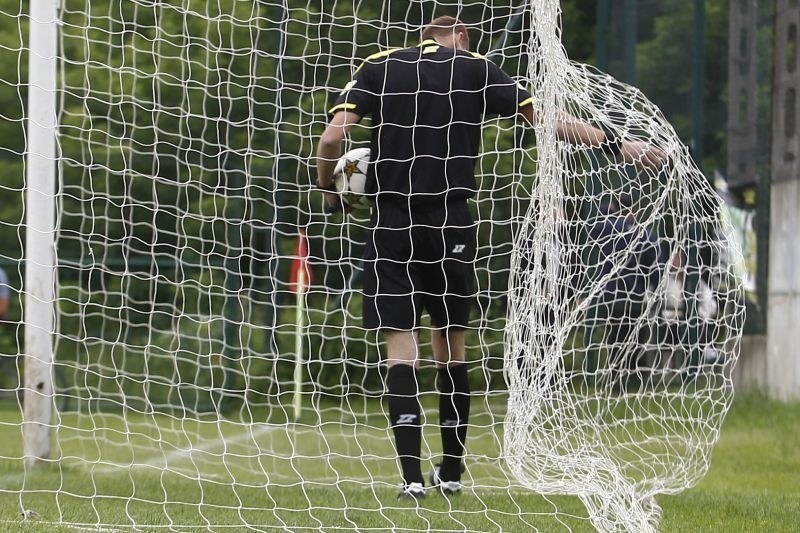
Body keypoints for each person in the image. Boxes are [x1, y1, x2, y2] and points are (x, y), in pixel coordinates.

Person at [315, 16, 663, 499]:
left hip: (391, 222)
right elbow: (547, 119)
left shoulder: (380, 66)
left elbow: (333, 139)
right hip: (452, 221)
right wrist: (616, 144)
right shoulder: (476, 67)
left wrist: (329, 189)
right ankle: (452, 473)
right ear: (460, 35)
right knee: (451, 347)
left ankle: (412, 481)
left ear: (428, 35)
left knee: (402, 348)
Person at [583, 194, 663, 388]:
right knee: (635, 338)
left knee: (614, 338)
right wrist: (655, 289)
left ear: (613, 207)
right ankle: (634, 378)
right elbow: (655, 266)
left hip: (607, 294)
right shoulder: (644, 234)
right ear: (632, 211)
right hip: (634, 294)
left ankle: (616, 378)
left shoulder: (601, 230)